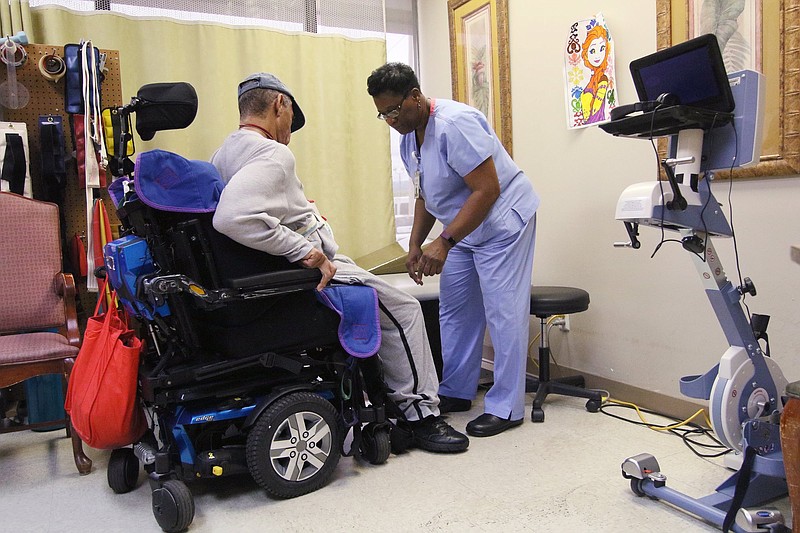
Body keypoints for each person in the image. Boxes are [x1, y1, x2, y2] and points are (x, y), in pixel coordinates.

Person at [211, 72, 468, 453]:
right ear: (278, 105)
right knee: (407, 309)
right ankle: (422, 418)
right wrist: (304, 250)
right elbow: (232, 218)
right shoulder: (273, 153)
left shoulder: (225, 152)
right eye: (289, 121)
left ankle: (395, 399)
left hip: (278, 272)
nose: (289, 133)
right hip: (310, 272)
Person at [366, 63, 540, 438]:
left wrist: (443, 242)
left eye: (395, 110)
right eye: (383, 114)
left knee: (503, 312)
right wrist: (414, 244)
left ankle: (507, 407)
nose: (390, 120)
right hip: (464, 230)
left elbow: (488, 190)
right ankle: (457, 391)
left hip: (502, 223)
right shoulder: (409, 137)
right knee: (456, 310)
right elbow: (426, 194)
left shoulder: (455, 124)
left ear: (415, 96)